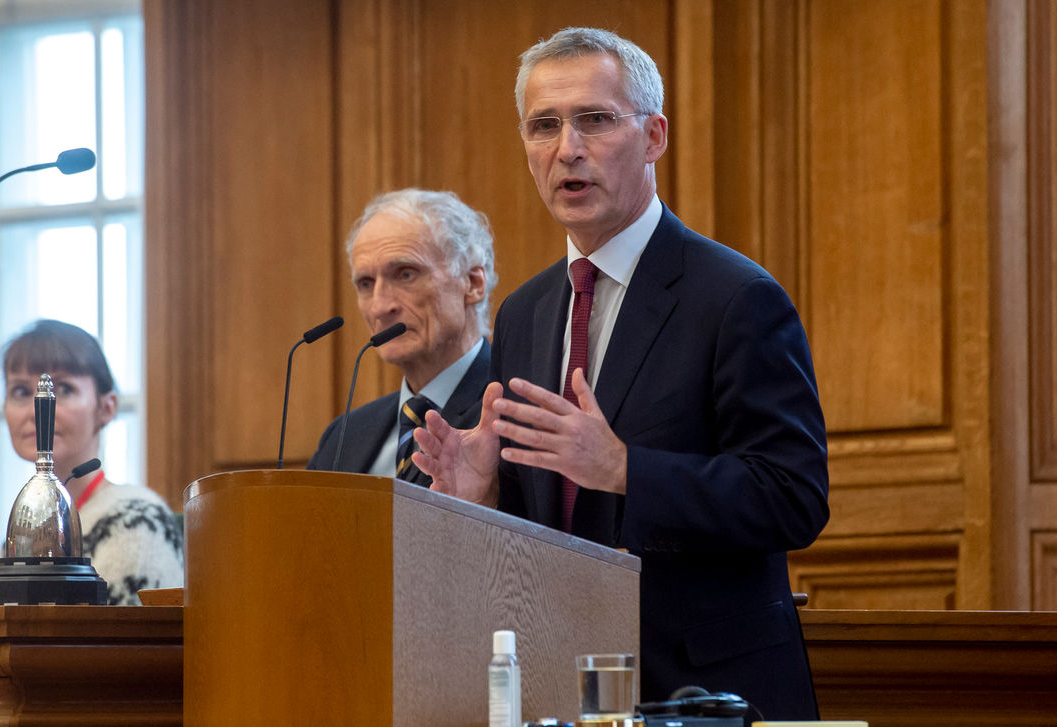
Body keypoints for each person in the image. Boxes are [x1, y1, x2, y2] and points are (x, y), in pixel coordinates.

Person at [413, 28, 829, 720]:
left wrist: (627, 468)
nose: (567, 148)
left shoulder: (735, 297)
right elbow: (545, 532)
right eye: (544, 125)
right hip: (562, 686)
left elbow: (795, 495)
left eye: (595, 119)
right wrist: (482, 499)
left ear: (654, 136)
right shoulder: (524, 313)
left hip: (703, 696)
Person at [307, 188, 496, 486]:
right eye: (366, 284)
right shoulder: (344, 435)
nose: (380, 307)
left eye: (406, 274)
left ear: (472, 284)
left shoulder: (513, 412)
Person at [1, 319, 183, 605]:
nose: (39, 407)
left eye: (64, 389)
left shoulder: (137, 521)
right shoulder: (28, 528)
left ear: (107, 407)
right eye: (21, 392)